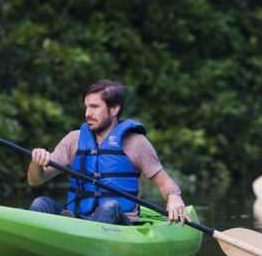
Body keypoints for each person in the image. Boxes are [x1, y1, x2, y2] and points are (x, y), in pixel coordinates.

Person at [27, 79, 189, 225]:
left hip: (120, 224)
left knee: (109, 207)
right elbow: (35, 180)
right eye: (86, 107)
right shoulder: (73, 139)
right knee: (41, 203)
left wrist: (174, 196)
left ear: (114, 109)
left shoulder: (136, 143)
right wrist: (37, 162)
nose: (87, 113)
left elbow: (164, 182)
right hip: (77, 219)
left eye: (94, 107)